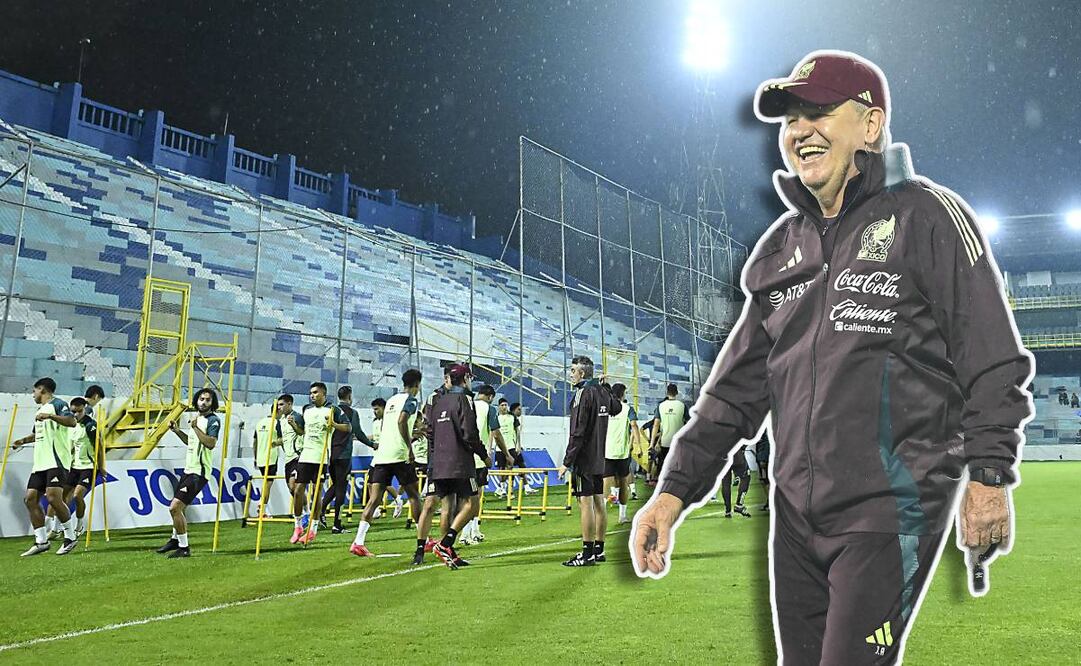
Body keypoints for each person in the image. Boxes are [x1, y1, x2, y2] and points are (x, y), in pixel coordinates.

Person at [632, 51, 1034, 664]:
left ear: (870, 126)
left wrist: (988, 477)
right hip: (793, 520)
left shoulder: (926, 216)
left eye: (819, 112)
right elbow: (733, 395)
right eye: (791, 118)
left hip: (888, 510)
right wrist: (671, 494)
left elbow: (994, 360)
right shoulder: (780, 247)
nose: (799, 131)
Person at [350, 370, 424, 557]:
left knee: (374, 500)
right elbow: (401, 421)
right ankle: (423, 538)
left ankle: (358, 541)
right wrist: (409, 446)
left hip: (382, 455)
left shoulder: (391, 400)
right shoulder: (412, 400)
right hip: (399, 455)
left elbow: (387, 426)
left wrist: (410, 435)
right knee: (414, 496)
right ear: (418, 384)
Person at [558, 356, 621, 566]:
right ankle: (599, 550)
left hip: (584, 460)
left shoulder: (582, 394)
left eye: (573, 370)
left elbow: (578, 431)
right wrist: (607, 387)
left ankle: (587, 554)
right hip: (599, 458)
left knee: (585, 504)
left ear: (582, 373)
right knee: (598, 502)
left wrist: (567, 462)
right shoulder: (602, 391)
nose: (571, 373)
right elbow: (616, 408)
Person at [427, 364, 489, 570]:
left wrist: (433, 461)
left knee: (447, 508)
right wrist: (483, 455)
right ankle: (445, 545)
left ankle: (449, 552)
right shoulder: (465, 399)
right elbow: (470, 433)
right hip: (460, 463)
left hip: (440, 464)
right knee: (472, 504)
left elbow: (430, 433)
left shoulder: (439, 401)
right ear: (465, 379)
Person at [12, 378, 78, 556]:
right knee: (30, 499)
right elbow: (36, 434)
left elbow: (72, 422)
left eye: (34, 391)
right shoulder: (40, 410)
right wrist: (22, 441)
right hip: (40, 463)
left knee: (53, 498)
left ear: (42, 389)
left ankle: (70, 537)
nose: (33, 394)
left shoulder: (58, 404)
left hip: (56, 461)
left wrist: (50, 416)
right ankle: (41, 541)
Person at [156, 388, 221, 558]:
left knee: (175, 507)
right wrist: (177, 431)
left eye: (207, 400)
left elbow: (210, 443)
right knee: (180, 508)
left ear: (212, 403)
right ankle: (175, 539)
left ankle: (184, 547)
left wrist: (196, 429)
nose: (203, 402)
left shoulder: (213, 420)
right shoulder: (197, 420)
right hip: (188, 470)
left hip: (199, 472)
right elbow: (191, 442)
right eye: (201, 399)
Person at [287, 382, 350, 545]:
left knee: (316, 493)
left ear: (324, 393)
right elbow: (303, 432)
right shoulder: (307, 410)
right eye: (311, 393)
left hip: (320, 457)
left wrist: (334, 425)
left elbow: (348, 427)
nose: (312, 395)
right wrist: (294, 425)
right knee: (298, 489)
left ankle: (313, 529)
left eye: (315, 393)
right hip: (305, 455)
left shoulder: (333, 409)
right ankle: (298, 526)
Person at [460, 384, 512, 545]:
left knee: (464, 497)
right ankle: (465, 533)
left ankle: (474, 530)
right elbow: (496, 433)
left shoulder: (466, 404)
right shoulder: (489, 409)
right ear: (490, 397)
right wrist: (507, 454)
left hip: (461, 458)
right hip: (478, 458)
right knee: (475, 498)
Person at [412, 365, 453, 565]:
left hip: (453, 460)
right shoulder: (434, 398)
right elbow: (425, 425)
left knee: (449, 505)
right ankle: (420, 548)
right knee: (430, 503)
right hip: (437, 460)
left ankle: (445, 546)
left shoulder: (460, 397)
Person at [322, 385, 374, 533]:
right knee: (341, 488)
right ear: (350, 397)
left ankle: (321, 511)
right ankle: (337, 524)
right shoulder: (352, 412)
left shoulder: (332, 411)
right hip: (344, 454)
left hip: (331, 455)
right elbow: (358, 433)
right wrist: (372, 444)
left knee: (336, 485)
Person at [64, 397, 101, 537]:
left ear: (84, 409)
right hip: (74, 467)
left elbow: (100, 446)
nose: (76, 415)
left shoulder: (91, 425)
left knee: (77, 495)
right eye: (73, 412)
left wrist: (101, 467)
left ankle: (79, 525)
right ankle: (60, 527)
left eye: (79, 411)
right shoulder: (71, 426)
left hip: (89, 467)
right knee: (61, 497)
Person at [603, 383, 638, 524]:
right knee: (623, 482)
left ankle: (602, 513)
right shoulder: (627, 409)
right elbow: (634, 426)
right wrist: (638, 446)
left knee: (605, 482)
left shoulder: (605, 408)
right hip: (622, 452)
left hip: (606, 451)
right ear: (623, 394)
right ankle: (622, 516)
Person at [649, 384, 687, 484]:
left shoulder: (661, 406)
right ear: (677, 393)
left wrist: (652, 444)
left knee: (663, 468)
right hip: (679, 443)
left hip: (665, 442)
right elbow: (689, 423)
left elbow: (656, 425)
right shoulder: (682, 406)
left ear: (667, 392)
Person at [252, 403, 282, 519]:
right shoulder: (277, 423)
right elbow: (281, 439)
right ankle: (262, 508)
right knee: (268, 484)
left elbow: (255, 442)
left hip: (260, 458)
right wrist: (277, 443)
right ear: (278, 411)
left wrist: (255, 457)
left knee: (265, 483)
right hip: (271, 458)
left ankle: (262, 507)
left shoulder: (260, 422)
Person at [720, 445, 752, 518]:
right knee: (746, 477)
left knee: (725, 482)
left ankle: (727, 511)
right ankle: (739, 505)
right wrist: (743, 448)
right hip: (736, 454)